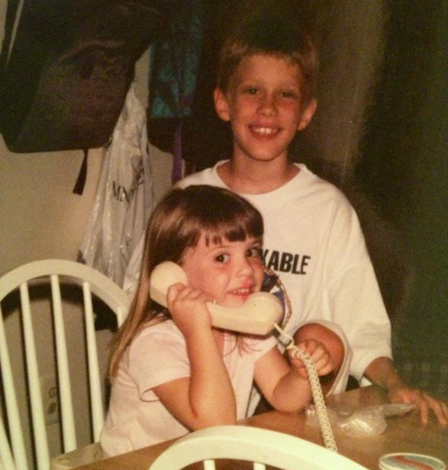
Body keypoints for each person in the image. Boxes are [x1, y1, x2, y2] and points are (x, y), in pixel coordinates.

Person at [123, 11, 448, 424]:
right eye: (252, 90)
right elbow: (138, 298)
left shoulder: (328, 209)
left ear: (306, 113)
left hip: (279, 405)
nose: (268, 108)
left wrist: (394, 381)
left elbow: (362, 322)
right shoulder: (188, 199)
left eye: (286, 95)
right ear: (223, 102)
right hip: (187, 404)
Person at [100, 185, 339, 455]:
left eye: (251, 252)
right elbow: (215, 423)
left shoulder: (246, 327)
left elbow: (282, 397)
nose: (246, 269)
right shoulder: (155, 341)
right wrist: (197, 331)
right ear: (173, 274)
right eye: (222, 257)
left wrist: (300, 376)